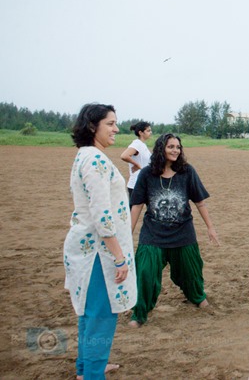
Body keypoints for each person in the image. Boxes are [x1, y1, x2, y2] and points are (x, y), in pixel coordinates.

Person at [63, 103, 137, 380]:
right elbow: (102, 215)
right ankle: (93, 373)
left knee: (88, 312)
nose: (116, 129)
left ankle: (87, 367)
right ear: (93, 126)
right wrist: (119, 257)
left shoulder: (86, 155)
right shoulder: (94, 159)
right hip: (97, 252)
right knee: (100, 315)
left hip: (88, 247)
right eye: (110, 123)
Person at [128, 133, 220, 327]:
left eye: (178, 147)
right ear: (161, 148)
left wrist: (210, 228)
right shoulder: (146, 174)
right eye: (171, 146)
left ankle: (197, 297)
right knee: (144, 272)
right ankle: (139, 313)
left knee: (192, 270)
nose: (175, 150)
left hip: (183, 233)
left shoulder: (187, 172)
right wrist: (128, 233)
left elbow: (200, 202)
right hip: (153, 234)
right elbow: (136, 206)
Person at [120, 121, 152, 203]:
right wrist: (136, 164)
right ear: (141, 133)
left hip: (144, 183)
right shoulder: (137, 144)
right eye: (148, 131)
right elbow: (124, 156)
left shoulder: (142, 144)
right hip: (135, 185)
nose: (150, 132)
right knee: (132, 213)